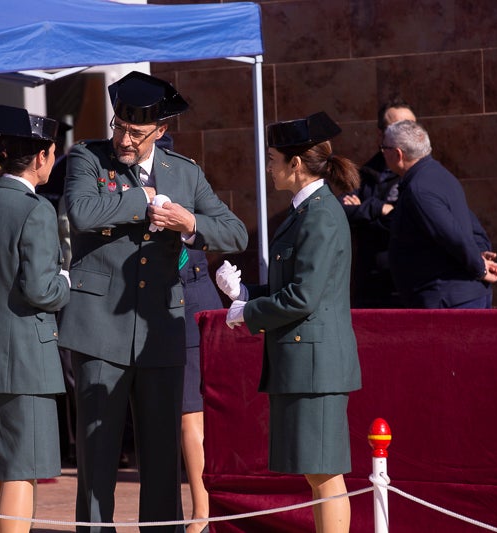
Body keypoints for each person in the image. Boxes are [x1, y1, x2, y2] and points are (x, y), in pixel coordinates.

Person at [59, 71, 248, 533]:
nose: (123, 138)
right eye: (119, 125)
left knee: (162, 461)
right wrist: (140, 199)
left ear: (160, 131)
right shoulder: (88, 157)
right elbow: (81, 211)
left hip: (160, 333)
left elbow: (236, 232)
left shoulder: (184, 171)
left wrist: (189, 223)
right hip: (98, 328)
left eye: (136, 132)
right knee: (97, 460)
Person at [217, 112, 362, 533]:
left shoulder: (319, 213)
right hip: (306, 363)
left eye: (273, 158)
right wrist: (244, 295)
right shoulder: (308, 210)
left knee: (324, 474)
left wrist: (248, 313)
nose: (268, 167)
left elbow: (304, 296)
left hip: (315, 366)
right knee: (316, 473)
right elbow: (296, 285)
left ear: (295, 164)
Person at [0, 105, 70, 533]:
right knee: (23, 466)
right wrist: (66, 281)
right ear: (40, 157)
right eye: (53, 153)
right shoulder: (35, 209)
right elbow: (40, 289)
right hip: (25, 354)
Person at [382, 120, 497, 308]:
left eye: (384, 148)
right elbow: (470, 224)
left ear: (398, 154)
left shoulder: (418, 189)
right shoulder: (440, 175)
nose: (382, 153)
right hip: (462, 295)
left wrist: (479, 267)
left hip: (448, 301)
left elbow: (451, 235)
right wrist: (480, 253)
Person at [341, 99, 416, 307]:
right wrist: (378, 208)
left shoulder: (423, 175)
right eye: (398, 128)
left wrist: (365, 212)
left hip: (408, 282)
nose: (406, 134)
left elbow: (406, 220)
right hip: (371, 282)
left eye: (411, 127)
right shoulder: (367, 171)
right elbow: (342, 209)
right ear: (381, 135)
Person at [179, 247, 219, 533]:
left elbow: (232, 232)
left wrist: (189, 225)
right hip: (152, 311)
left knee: (191, 415)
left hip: (193, 307)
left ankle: (202, 514)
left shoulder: (194, 202)